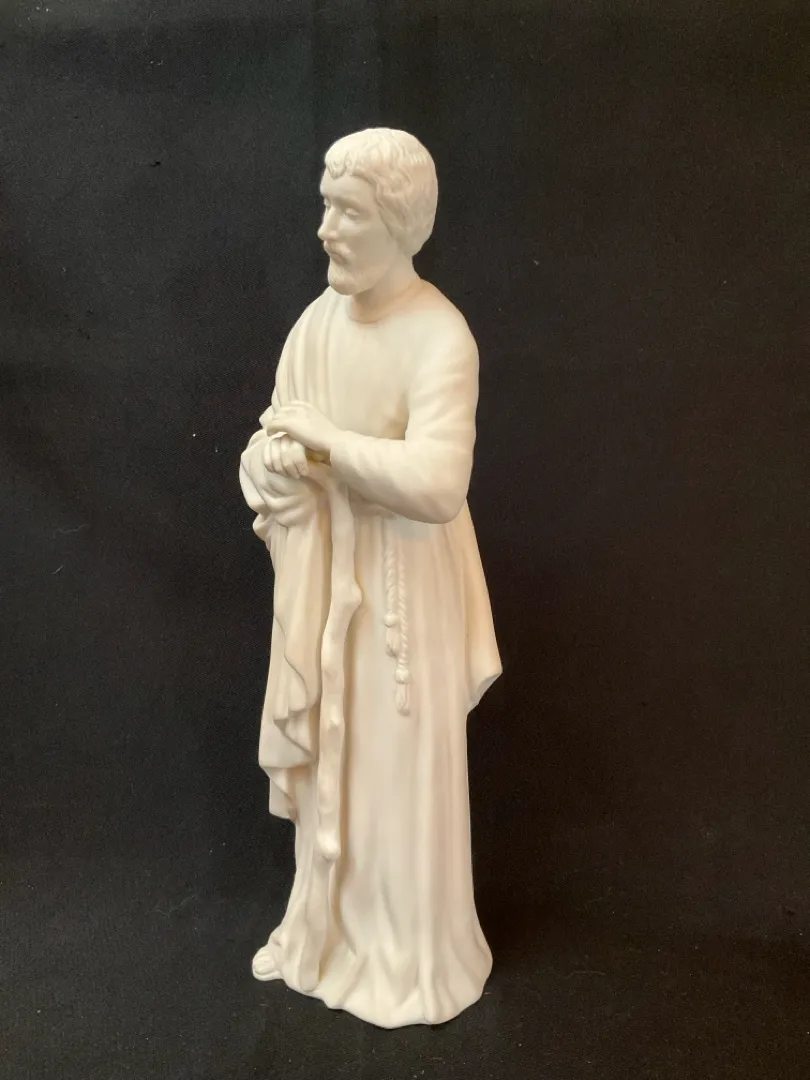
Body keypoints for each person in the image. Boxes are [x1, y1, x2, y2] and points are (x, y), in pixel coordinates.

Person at [239, 127, 501, 1028]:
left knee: (396, 776)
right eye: (325, 207)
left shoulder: (439, 335)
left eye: (347, 212)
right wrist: (275, 466)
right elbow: (274, 440)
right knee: (333, 767)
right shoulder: (315, 326)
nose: (326, 229)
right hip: (327, 589)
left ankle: (409, 954)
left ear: (398, 222)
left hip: (404, 597)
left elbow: (437, 483)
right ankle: (326, 935)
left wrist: (327, 445)